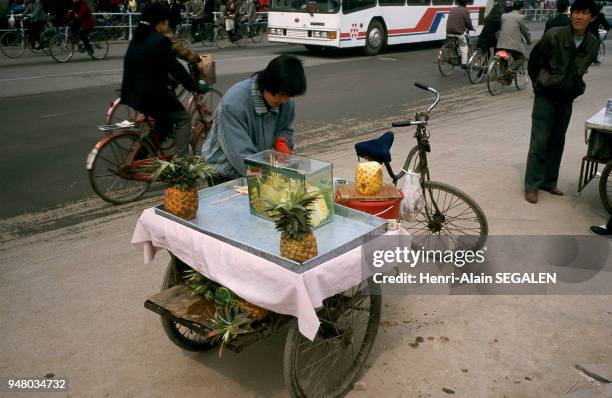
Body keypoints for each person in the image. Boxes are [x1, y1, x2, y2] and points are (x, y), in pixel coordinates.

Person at [523, 0, 599, 204]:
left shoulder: (592, 42)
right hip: (546, 96)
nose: (578, 16)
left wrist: (573, 89)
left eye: (584, 13)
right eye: (575, 12)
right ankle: (532, 185)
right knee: (539, 141)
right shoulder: (554, 35)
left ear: (592, 17)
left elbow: (582, 69)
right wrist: (538, 84)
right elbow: (534, 62)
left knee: (558, 141)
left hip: (567, 98)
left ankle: (549, 181)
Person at [120, 3, 209, 157]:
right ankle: (182, 165)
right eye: (167, 22)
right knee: (184, 119)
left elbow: (154, 66)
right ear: (160, 22)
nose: (168, 26)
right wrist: (194, 86)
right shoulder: (159, 40)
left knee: (165, 123)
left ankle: (140, 156)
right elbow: (175, 68)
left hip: (132, 92)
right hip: (150, 94)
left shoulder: (138, 38)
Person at [201, 54, 307, 183]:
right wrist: (268, 180)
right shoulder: (234, 104)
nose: (284, 100)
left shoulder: (285, 102)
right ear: (268, 84)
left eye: (289, 95)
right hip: (224, 171)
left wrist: (282, 142)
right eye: (282, 95)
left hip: (258, 166)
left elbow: (285, 128)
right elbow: (241, 155)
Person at [496, 0, 531, 84]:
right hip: (513, 44)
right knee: (522, 58)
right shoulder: (521, 17)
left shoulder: (504, 16)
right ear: (521, 8)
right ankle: (509, 71)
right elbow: (525, 31)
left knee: (504, 58)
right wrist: (529, 41)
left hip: (501, 42)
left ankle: (505, 76)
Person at [445, 0, 475, 67]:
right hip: (458, 33)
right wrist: (471, 28)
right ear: (466, 4)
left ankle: (453, 56)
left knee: (453, 43)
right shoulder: (465, 11)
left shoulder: (452, 9)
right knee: (464, 46)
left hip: (448, 32)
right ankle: (464, 63)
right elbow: (468, 23)